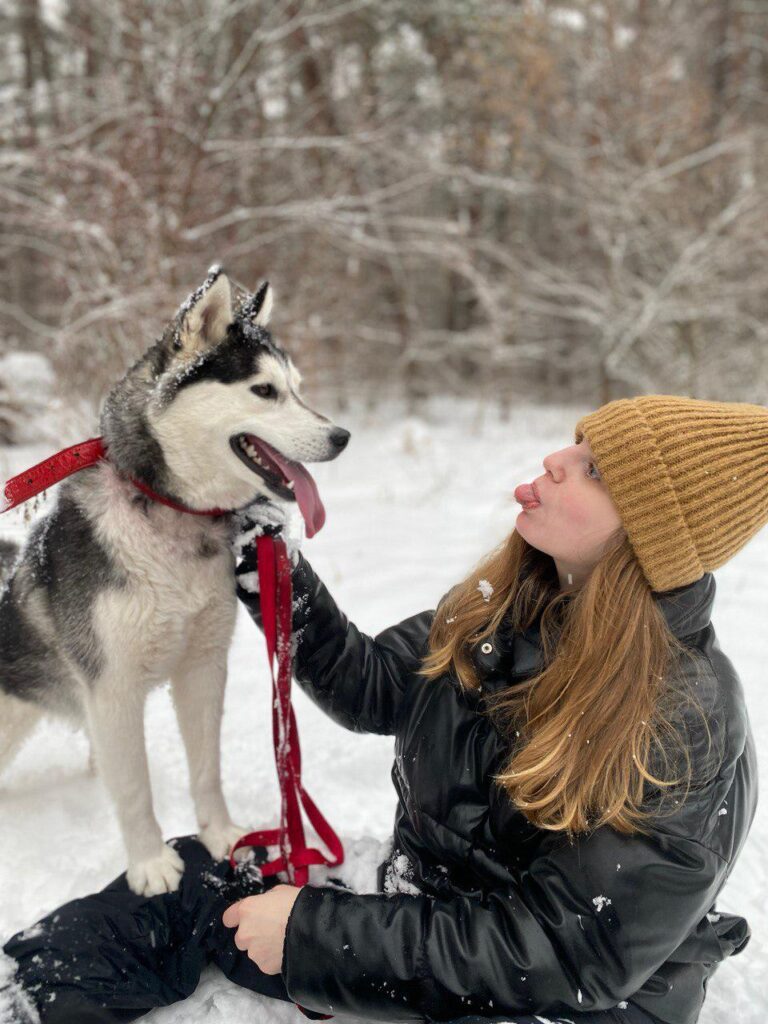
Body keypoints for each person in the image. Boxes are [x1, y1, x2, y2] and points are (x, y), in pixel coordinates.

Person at [1, 393, 763, 1024]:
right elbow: (369, 683)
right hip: (430, 912)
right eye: (575, 444)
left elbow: (570, 956)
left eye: (593, 470)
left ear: (648, 538)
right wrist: (275, 572)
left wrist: (312, 935)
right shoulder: (501, 610)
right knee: (194, 882)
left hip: (568, 1003)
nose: (556, 461)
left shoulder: (679, 716)